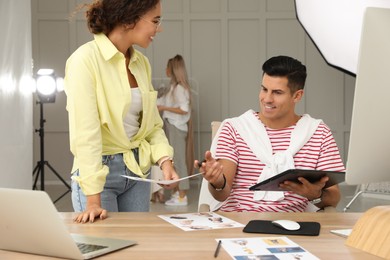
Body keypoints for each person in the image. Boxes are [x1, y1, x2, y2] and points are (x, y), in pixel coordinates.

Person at [64, 0, 179, 223]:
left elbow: (152, 124)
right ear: (130, 18)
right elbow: (85, 134)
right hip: (99, 175)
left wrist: (165, 162)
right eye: (155, 21)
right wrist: (93, 201)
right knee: (105, 249)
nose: (159, 28)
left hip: (137, 172)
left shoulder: (141, 63)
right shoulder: (84, 60)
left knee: (136, 250)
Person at [196, 55, 345, 212]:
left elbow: (333, 198)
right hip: (238, 226)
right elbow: (221, 194)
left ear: (297, 95)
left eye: (277, 92)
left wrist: (315, 194)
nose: (267, 99)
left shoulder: (318, 133)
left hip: (294, 227)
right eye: (264, 89)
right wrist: (217, 181)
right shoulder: (235, 128)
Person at [157, 54, 192, 206]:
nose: (165, 69)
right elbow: (160, 101)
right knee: (175, 161)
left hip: (177, 127)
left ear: (172, 70)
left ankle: (182, 196)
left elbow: (184, 109)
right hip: (173, 126)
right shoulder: (173, 88)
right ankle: (178, 193)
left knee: (178, 161)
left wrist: (164, 108)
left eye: (167, 67)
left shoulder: (179, 89)